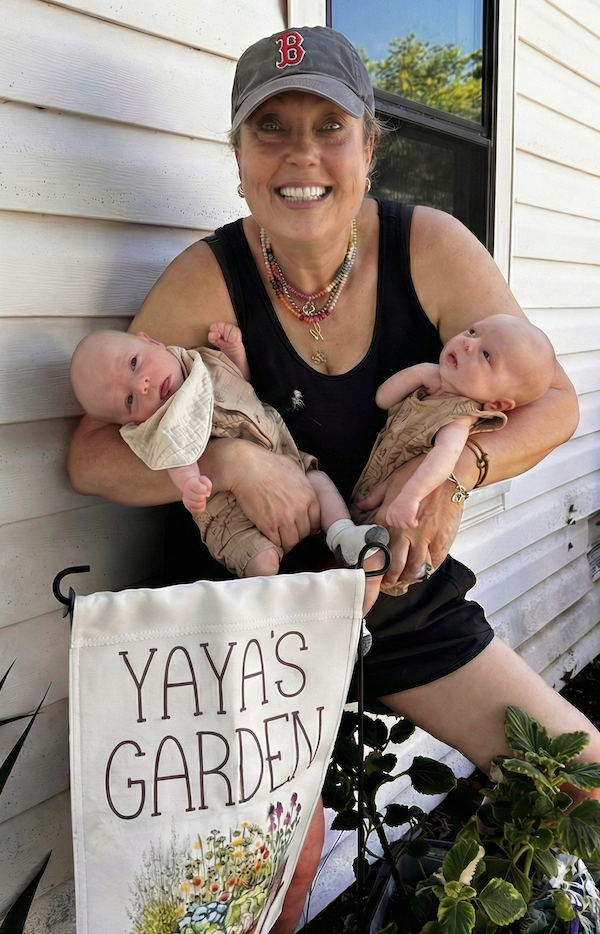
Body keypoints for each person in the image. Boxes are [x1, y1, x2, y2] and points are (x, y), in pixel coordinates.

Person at [67, 25, 600, 934]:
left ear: (368, 147)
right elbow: (89, 453)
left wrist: (461, 470)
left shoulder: (428, 245)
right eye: (270, 129)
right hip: (248, 623)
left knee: (579, 776)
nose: (300, 154)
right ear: (238, 159)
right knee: (270, 872)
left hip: (392, 600)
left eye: (329, 126)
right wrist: (229, 458)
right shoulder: (208, 276)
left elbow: (554, 402)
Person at [69, 324, 388, 604]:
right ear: (130, 422)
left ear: (150, 341)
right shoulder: (163, 424)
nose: (142, 385)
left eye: (134, 363)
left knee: (321, 483)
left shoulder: (201, 360)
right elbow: (178, 459)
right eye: (129, 400)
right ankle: (271, 607)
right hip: (233, 516)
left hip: (286, 460)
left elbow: (239, 385)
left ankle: (345, 536)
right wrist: (191, 484)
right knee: (261, 561)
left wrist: (234, 352)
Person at [351, 314, 556, 594]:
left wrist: (410, 497)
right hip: (364, 494)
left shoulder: (459, 419)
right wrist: (424, 372)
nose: (468, 344)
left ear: (497, 403)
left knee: (371, 566)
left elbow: (444, 460)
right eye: (472, 332)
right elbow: (383, 398)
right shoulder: (431, 387)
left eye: (485, 355)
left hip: (396, 512)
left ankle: (356, 625)